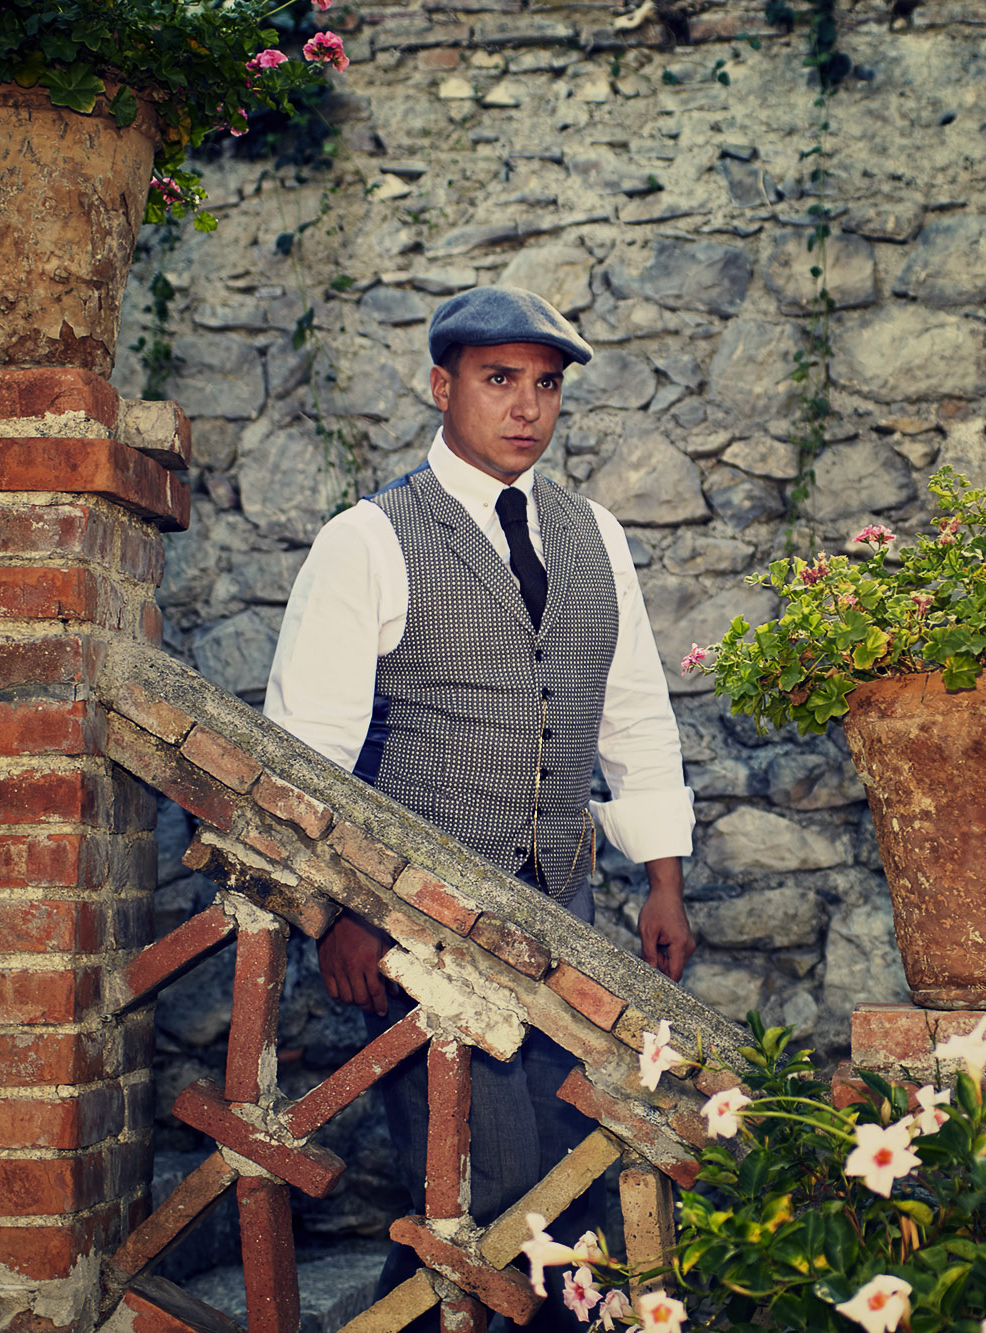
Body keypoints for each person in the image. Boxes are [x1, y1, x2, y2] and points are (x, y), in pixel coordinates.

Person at [263, 284, 698, 1330]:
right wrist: (341, 913)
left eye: (544, 385)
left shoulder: (592, 536)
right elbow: (303, 752)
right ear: (440, 385)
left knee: (579, 1170)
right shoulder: (366, 539)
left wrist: (662, 878)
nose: (525, 408)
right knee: (485, 1188)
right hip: (422, 929)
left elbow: (630, 709)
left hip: (565, 915)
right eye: (498, 380)